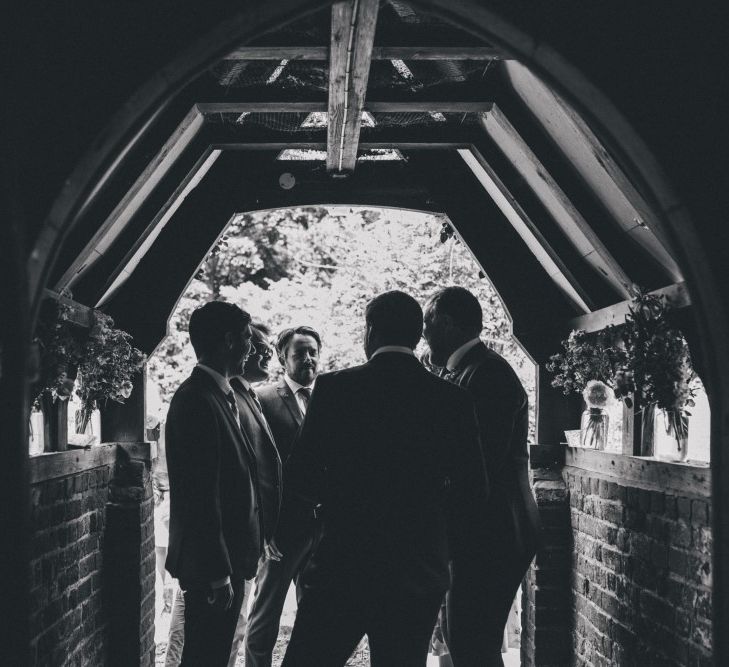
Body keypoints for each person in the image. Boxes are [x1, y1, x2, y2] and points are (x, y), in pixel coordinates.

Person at [281, 290, 488, 667]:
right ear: (416, 336)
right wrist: (439, 551)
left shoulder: (335, 389)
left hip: (343, 563)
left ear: (371, 331)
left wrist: (325, 515)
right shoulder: (451, 400)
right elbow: (473, 492)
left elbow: (301, 475)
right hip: (417, 570)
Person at [423, 286, 540, 667]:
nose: (423, 333)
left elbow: (476, 466)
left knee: (473, 643)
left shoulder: (488, 375)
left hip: (494, 532)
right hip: (485, 530)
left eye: (427, 323)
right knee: (465, 640)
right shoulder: (467, 369)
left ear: (447, 322)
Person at [165, 323, 274, 667]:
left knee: (214, 650)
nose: (252, 349)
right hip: (212, 563)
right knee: (203, 655)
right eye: (246, 339)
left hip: (229, 556)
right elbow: (199, 493)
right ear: (228, 340)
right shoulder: (197, 398)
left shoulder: (220, 395)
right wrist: (217, 572)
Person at [244, 326, 323, 667]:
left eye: (313, 352)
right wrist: (263, 528)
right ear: (282, 357)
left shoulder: (328, 396)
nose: (308, 359)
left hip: (321, 530)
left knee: (316, 618)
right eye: (300, 352)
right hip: (281, 529)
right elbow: (254, 466)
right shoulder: (262, 398)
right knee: (266, 615)